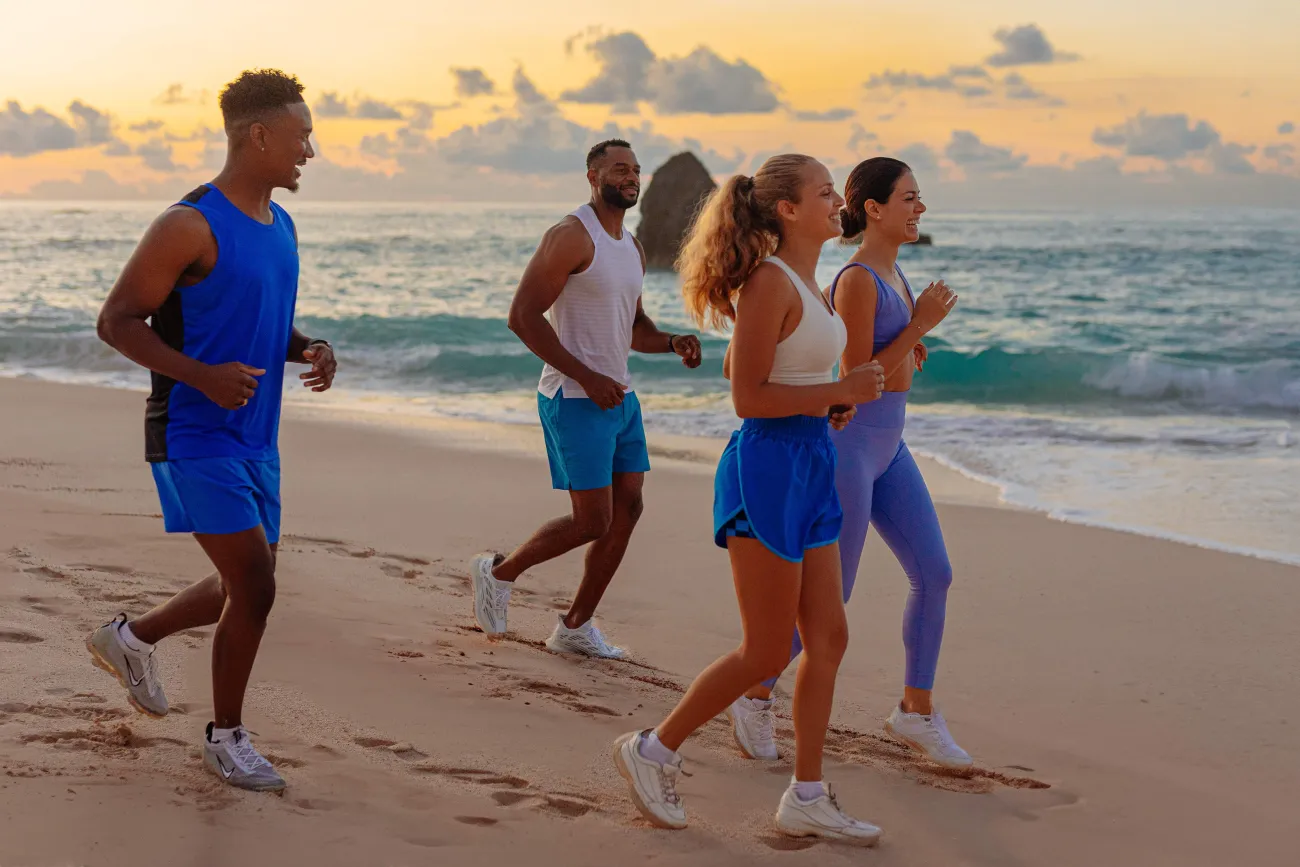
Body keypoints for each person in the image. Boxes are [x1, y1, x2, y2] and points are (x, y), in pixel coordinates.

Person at [612, 155, 887, 844]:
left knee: (829, 636)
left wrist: (828, 408)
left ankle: (808, 793)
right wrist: (835, 393)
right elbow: (745, 398)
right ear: (789, 209)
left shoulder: (808, 283)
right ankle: (651, 749)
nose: (837, 200)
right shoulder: (769, 281)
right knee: (765, 650)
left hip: (811, 461)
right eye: (825, 191)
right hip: (767, 469)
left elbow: (747, 362)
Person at [88, 68, 335, 793]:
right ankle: (226, 736)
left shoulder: (281, 226)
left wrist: (307, 346)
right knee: (255, 585)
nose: (309, 152)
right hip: (194, 430)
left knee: (245, 579)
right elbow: (117, 321)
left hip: (259, 437)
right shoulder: (187, 224)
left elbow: (255, 320)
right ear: (258, 136)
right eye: (301, 137)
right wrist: (201, 376)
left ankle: (130, 639)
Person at [729, 157, 969, 770]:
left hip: (892, 448)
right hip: (850, 453)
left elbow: (882, 365)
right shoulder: (858, 279)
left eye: (920, 198)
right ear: (875, 210)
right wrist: (920, 325)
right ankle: (755, 695)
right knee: (832, 602)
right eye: (910, 198)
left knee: (934, 573)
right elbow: (854, 379)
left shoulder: (895, 273)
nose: (920, 208)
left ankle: (915, 712)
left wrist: (911, 341)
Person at [470, 139, 702, 658]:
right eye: (620, 169)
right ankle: (499, 572)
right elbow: (522, 317)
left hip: (620, 397)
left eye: (636, 170)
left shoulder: (632, 247)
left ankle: (576, 625)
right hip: (574, 396)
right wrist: (588, 377)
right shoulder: (571, 236)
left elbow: (635, 328)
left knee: (630, 507)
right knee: (591, 520)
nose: (631, 177)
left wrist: (670, 342)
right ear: (593, 176)